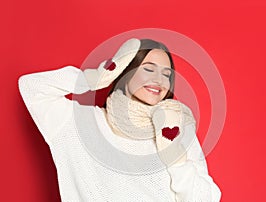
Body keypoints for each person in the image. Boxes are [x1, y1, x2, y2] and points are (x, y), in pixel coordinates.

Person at [18, 38, 221, 201]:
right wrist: (95, 77)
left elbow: (207, 199)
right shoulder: (80, 123)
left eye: (166, 74)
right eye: (148, 69)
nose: (159, 80)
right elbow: (32, 87)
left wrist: (174, 154)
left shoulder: (175, 128)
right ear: (123, 73)